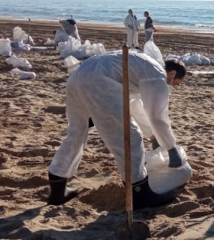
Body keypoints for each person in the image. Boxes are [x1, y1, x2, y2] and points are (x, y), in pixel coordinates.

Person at [47, 50, 187, 209]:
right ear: (172, 74)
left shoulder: (143, 65)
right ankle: (140, 194)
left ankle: (57, 190)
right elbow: (157, 116)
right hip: (100, 82)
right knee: (129, 138)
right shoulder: (157, 75)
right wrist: (170, 146)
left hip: (78, 76)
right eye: (175, 85)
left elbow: (134, 104)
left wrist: (153, 136)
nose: (172, 88)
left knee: (77, 132)